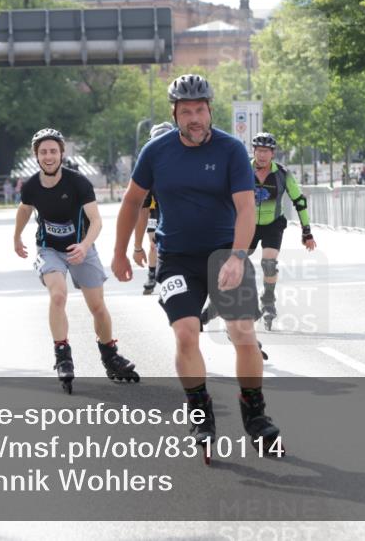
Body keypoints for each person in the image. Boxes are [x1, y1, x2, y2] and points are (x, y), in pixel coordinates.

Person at [111, 74, 284, 456]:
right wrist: (121, 250)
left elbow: (244, 208)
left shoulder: (231, 150)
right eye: (186, 111)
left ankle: (254, 412)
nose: (194, 118)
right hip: (177, 258)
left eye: (200, 110)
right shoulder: (156, 151)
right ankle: (200, 410)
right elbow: (131, 201)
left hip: (225, 251)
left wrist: (239, 256)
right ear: (174, 114)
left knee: (242, 332)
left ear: (210, 110)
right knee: (187, 333)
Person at [15, 128, 140, 394]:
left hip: (81, 248)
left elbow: (96, 220)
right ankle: (62, 354)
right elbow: (25, 210)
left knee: (97, 307)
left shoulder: (78, 182)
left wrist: (84, 246)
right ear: (36, 156)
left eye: (53, 151)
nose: (48, 156)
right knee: (58, 296)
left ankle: (110, 354)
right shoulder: (32, 186)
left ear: (61, 153)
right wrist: (16, 237)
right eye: (43, 152)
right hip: (49, 249)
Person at [202, 131, 316, 331]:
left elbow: (299, 201)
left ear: (273, 153)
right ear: (253, 151)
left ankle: (268, 301)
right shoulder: (241, 168)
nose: (262, 155)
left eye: (266, 151)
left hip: (273, 223)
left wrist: (307, 232)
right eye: (259, 150)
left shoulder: (282, 173)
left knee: (269, 264)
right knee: (233, 264)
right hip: (248, 224)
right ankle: (216, 304)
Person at [132, 121, 175, 295]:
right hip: (156, 210)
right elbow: (141, 210)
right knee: (154, 243)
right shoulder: (147, 173)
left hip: (179, 213)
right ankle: (151, 274)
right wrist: (137, 246)